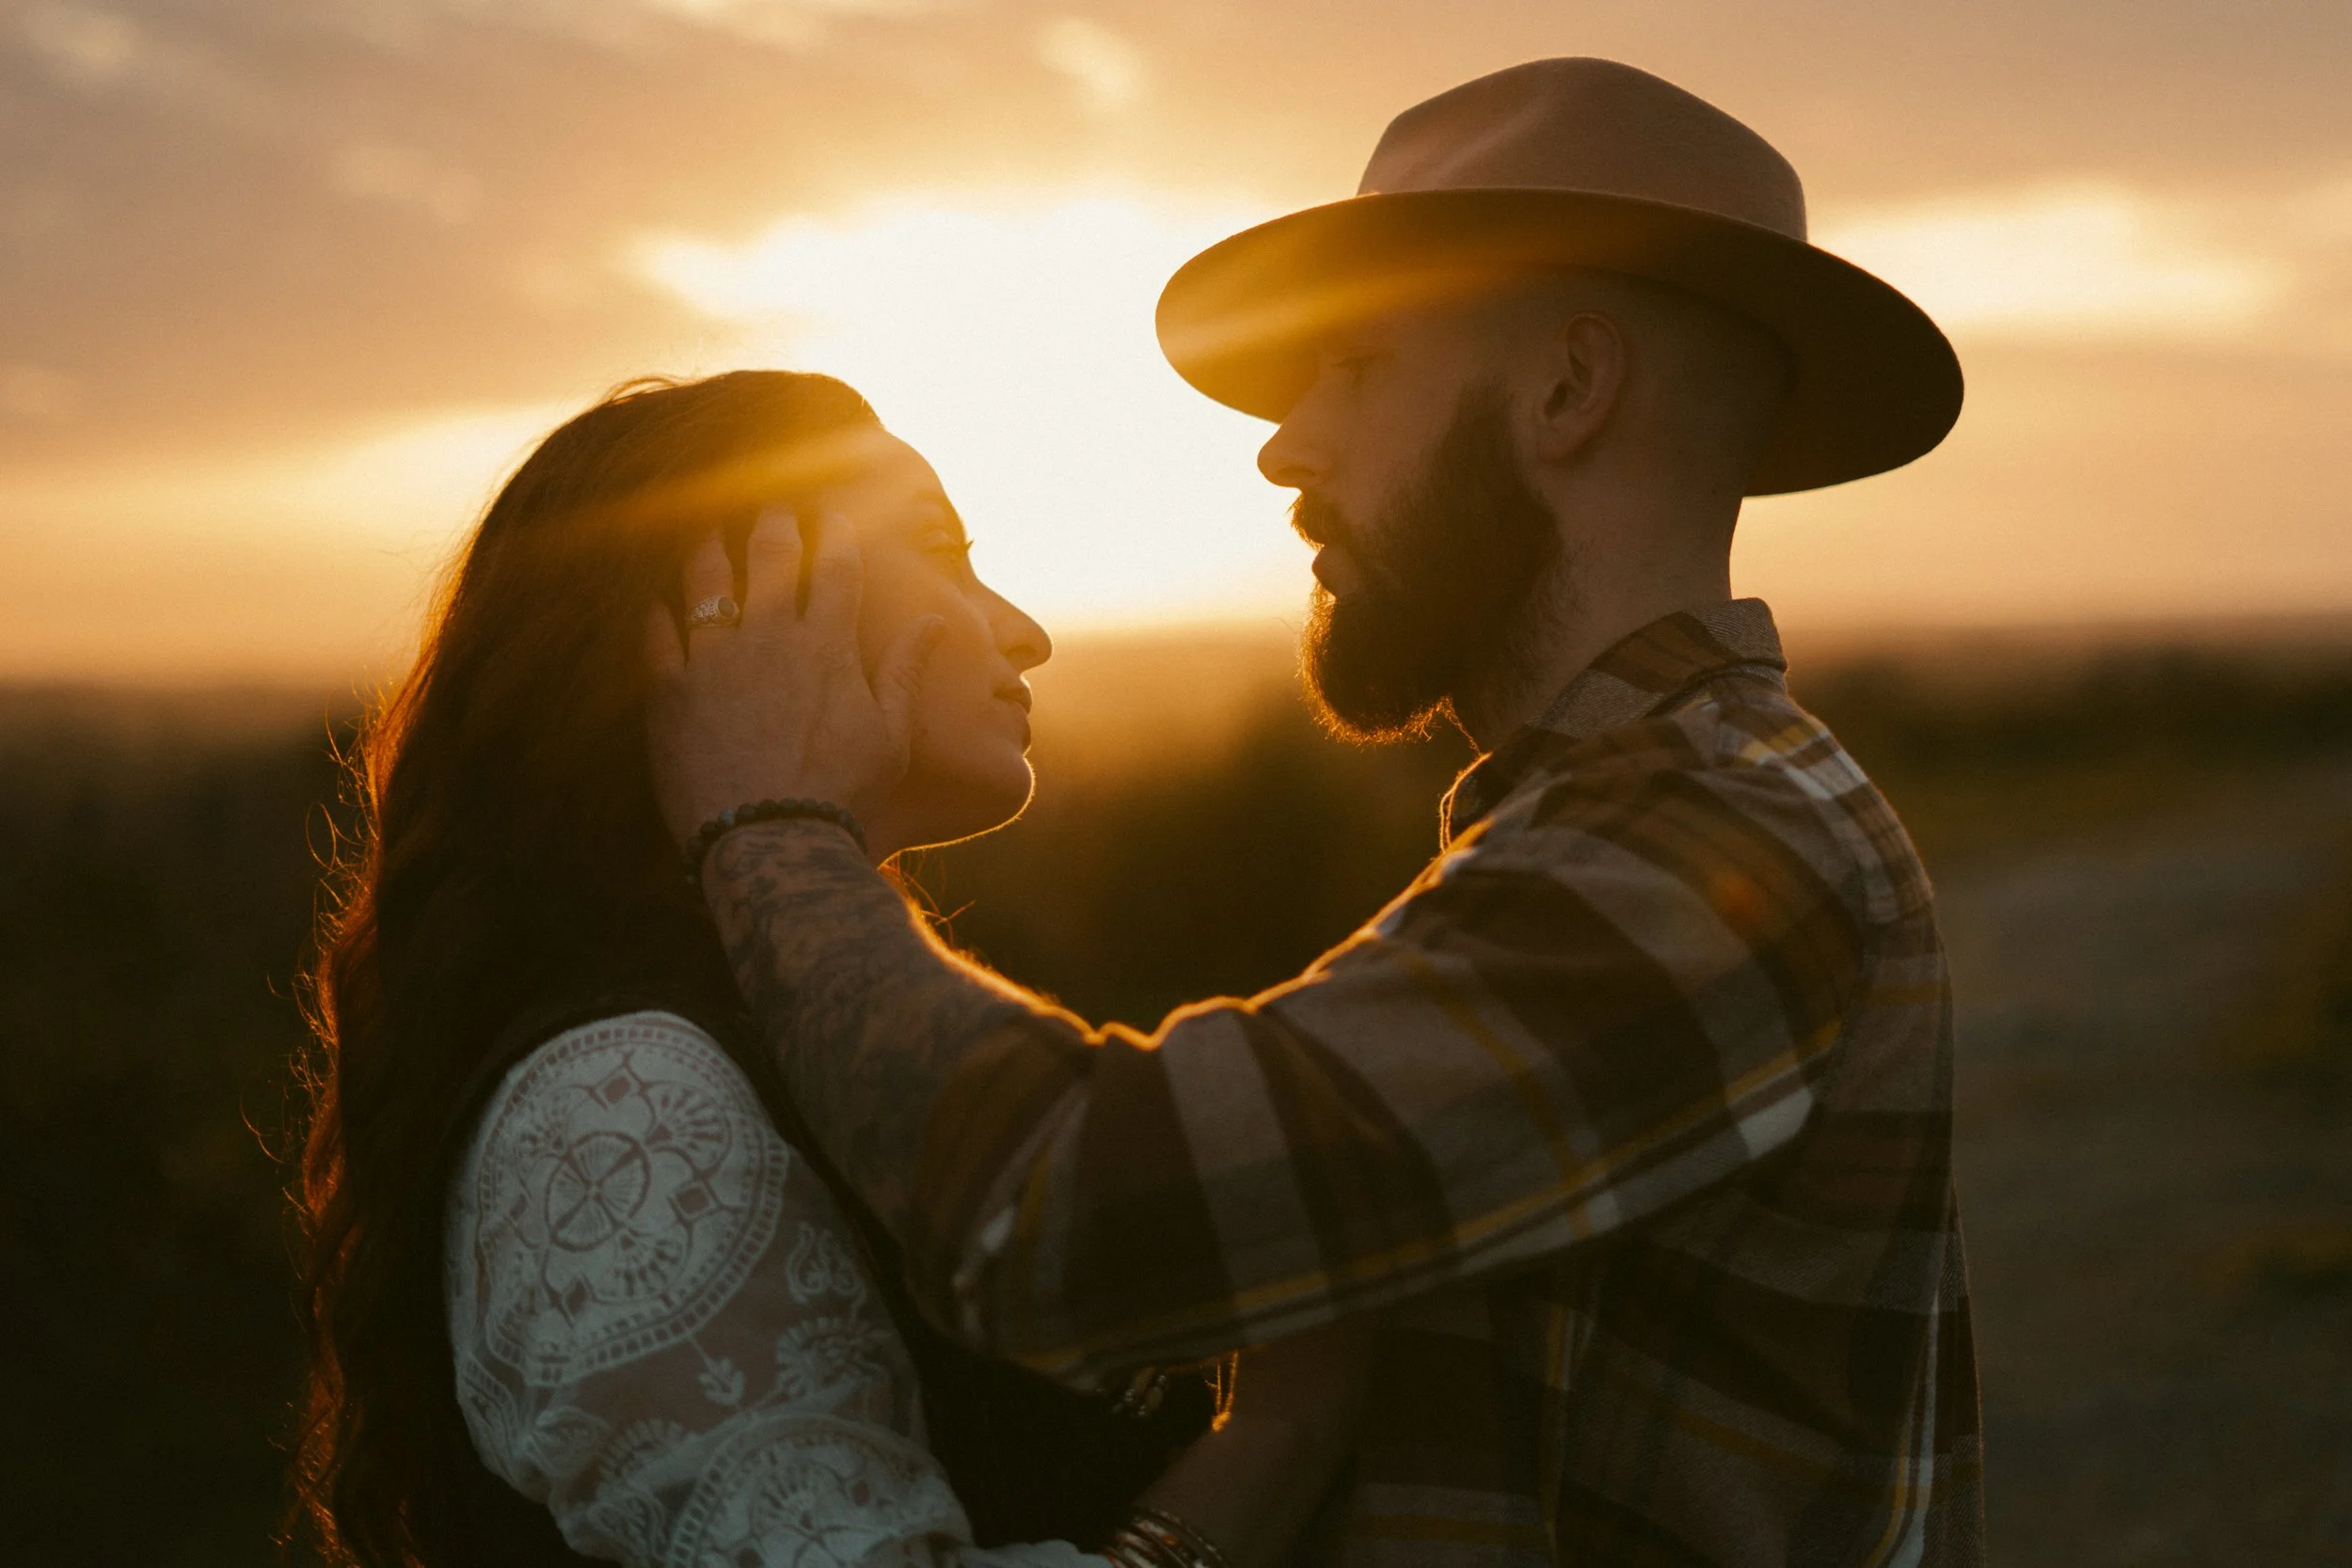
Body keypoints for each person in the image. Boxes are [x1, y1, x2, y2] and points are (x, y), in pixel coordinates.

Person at [644, 58, 1982, 1566]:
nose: (1284, 443)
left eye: (1350, 368)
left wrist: (765, 818)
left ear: (1568, 388)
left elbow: (1064, 1214)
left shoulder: (1713, 844)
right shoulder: (1610, 823)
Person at [294, 370, 1370, 1568]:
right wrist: (1276, 1434)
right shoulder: (626, 1096)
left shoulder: (788, 1038)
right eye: (940, 551)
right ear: (739, 608)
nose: (1022, 629)